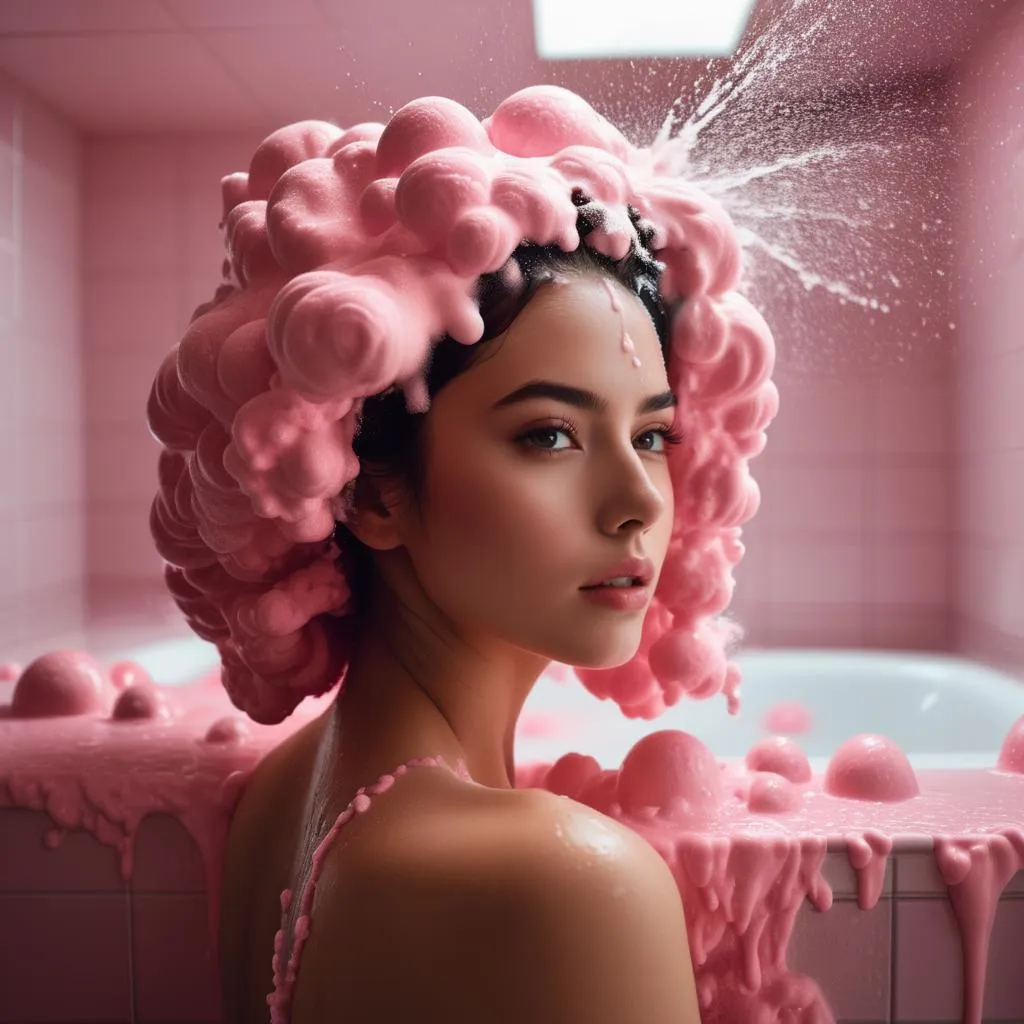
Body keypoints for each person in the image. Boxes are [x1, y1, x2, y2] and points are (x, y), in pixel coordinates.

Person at [147, 86, 776, 1023]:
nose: (638, 500)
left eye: (650, 437)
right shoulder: (568, 889)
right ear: (369, 492)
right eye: (551, 437)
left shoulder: (287, 791)